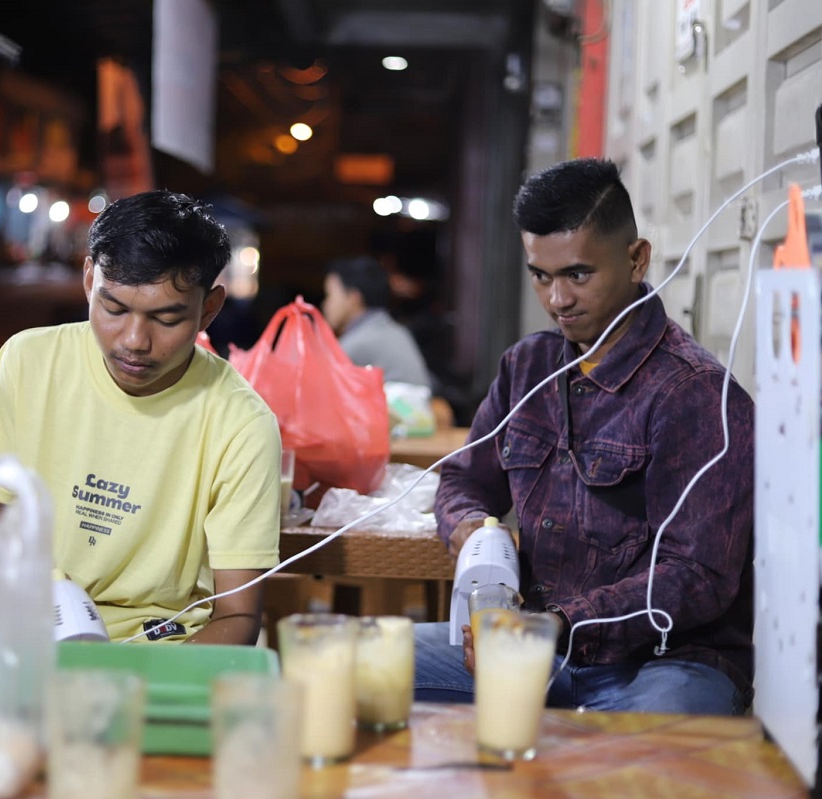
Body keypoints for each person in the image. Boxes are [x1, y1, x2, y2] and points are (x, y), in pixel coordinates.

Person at [414, 158, 754, 715]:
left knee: (640, 753)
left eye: (577, 274)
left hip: (668, 663)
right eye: (540, 275)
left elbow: (700, 576)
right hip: (535, 643)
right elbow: (463, 479)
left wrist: (562, 624)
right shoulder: (527, 367)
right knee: (354, 668)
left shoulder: (696, 394)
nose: (557, 300)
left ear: (636, 259)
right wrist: (474, 532)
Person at [0, 190, 281, 645]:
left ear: (209, 308)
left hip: (160, 649)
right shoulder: (26, 361)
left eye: (166, 319)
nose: (134, 341)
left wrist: (140, 688)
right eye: (114, 308)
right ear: (90, 280)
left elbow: (238, 616)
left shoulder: (241, 424)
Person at [321, 255, 432, 389]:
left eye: (329, 295)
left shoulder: (358, 342)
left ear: (352, 299)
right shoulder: (392, 329)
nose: (325, 305)